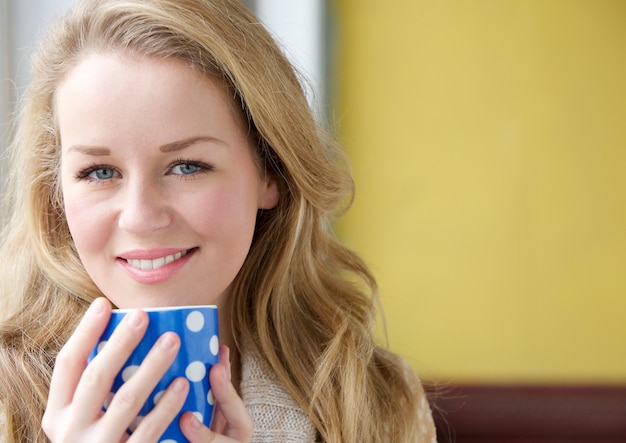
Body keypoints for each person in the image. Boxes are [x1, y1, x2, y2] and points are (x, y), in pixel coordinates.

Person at [0, 0, 437, 441]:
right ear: (55, 193)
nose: (140, 217)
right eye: (99, 172)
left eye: (187, 166)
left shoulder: (380, 404)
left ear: (271, 171)